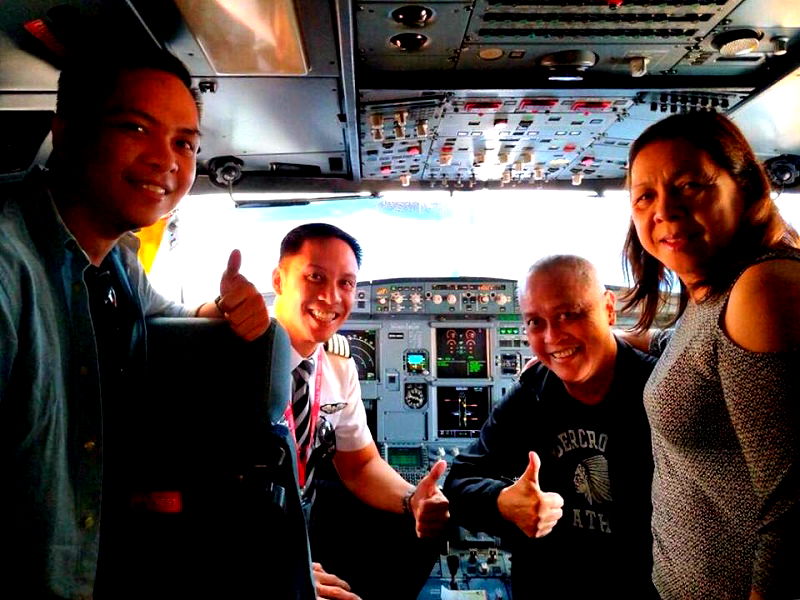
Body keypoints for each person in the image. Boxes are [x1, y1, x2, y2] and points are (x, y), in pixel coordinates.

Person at [0, 49, 268, 598]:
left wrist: (220, 310)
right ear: (66, 133)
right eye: (136, 128)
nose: (166, 160)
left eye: (184, 143)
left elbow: (161, 315)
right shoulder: (7, 264)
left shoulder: (116, 262)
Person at [624, 111, 800, 600]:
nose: (665, 210)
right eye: (645, 196)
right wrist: (601, 340)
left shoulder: (763, 289)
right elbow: (695, 353)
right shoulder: (716, 290)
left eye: (689, 185)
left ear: (744, 186)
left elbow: (794, 503)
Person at [444, 255, 658, 599]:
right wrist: (501, 501)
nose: (552, 337)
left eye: (569, 314)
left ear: (609, 309)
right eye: (535, 322)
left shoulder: (658, 390)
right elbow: (459, 480)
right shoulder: (534, 392)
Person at [271, 223, 450, 600]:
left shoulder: (338, 366)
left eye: (346, 283)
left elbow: (360, 465)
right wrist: (286, 565)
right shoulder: (236, 356)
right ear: (278, 280)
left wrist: (413, 498)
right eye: (315, 277)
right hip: (248, 521)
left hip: (304, 507)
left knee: (420, 529)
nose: (331, 297)